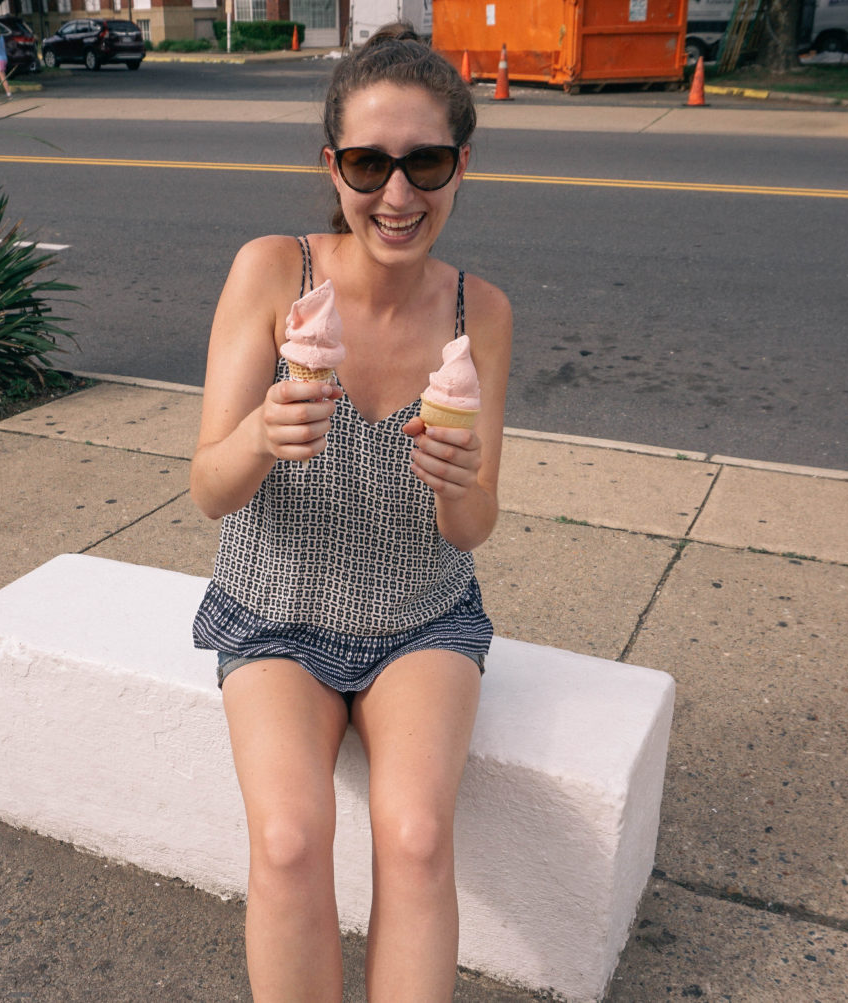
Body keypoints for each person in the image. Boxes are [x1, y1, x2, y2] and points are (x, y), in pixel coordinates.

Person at [190, 21, 512, 1002]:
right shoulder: (271, 273)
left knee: (416, 836)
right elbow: (210, 485)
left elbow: (473, 529)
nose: (399, 195)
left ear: (463, 164)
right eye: (369, 164)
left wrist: (458, 480)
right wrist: (261, 433)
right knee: (288, 842)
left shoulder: (477, 313)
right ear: (331, 166)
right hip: (274, 612)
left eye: (427, 163)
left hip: (420, 617)